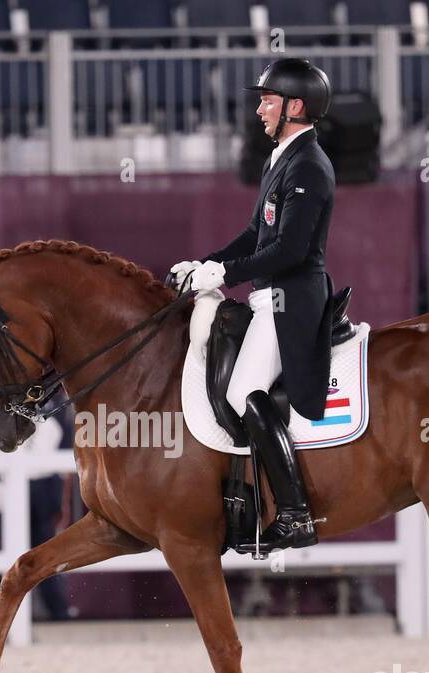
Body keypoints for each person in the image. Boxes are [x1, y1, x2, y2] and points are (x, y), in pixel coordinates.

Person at [170, 58, 336, 555]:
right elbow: (253, 235)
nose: (260, 108)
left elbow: (289, 250)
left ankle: (294, 513)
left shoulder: (308, 165)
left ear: (295, 106)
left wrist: (221, 275)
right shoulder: (280, 159)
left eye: (268, 100)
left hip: (293, 299)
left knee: (245, 391)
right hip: (268, 296)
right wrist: (205, 263)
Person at [0, 405, 75, 620]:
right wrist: (62, 503)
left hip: (16, 490)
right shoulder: (50, 420)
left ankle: (5, 617)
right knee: (46, 556)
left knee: (10, 558)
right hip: (42, 490)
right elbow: (64, 469)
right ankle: (59, 613)